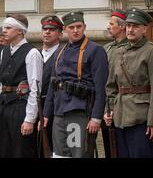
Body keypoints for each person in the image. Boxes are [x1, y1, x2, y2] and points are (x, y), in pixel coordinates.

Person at [43, 11, 109, 158]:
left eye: (78, 26)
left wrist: (96, 117)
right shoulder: (59, 51)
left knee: (78, 153)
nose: (75, 30)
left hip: (78, 111)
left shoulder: (95, 50)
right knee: (60, 154)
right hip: (59, 112)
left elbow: (101, 87)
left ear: (84, 27)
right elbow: (52, 85)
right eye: (71, 27)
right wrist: (46, 114)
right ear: (65, 29)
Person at [105, 8, 153, 158]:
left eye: (135, 26)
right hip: (120, 117)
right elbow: (111, 86)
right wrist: (110, 110)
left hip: (142, 118)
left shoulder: (152, 51)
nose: (130, 30)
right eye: (128, 26)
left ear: (144, 29)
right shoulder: (119, 51)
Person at [0, 14, 43, 158]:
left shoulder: (32, 53)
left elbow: (35, 88)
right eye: (3, 27)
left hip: (20, 108)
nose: (4, 30)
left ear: (20, 31)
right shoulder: (4, 51)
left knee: (21, 151)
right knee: (4, 150)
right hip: (3, 105)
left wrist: (29, 119)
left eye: (8, 27)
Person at [102, 9, 128, 158]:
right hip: (107, 105)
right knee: (109, 149)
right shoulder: (107, 48)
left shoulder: (129, 47)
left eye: (111, 24)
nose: (108, 26)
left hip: (125, 105)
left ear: (122, 26)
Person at [39, 15, 64, 154]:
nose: (47, 32)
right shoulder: (34, 54)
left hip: (55, 110)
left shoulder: (63, 54)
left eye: (52, 29)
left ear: (60, 33)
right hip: (34, 108)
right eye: (45, 29)